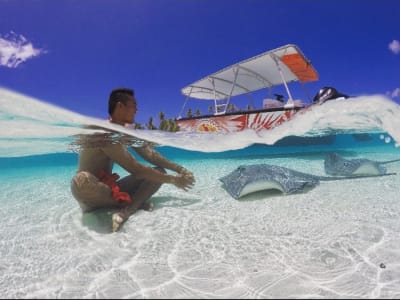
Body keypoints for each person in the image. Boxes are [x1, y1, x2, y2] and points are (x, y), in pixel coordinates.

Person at [70, 88, 195, 232]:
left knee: (159, 173)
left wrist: (180, 170)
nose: (137, 110)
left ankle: (127, 210)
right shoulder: (99, 130)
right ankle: (129, 201)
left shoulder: (125, 133)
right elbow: (135, 169)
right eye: (133, 105)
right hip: (90, 191)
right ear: (120, 106)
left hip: (107, 190)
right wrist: (174, 180)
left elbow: (149, 154)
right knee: (82, 179)